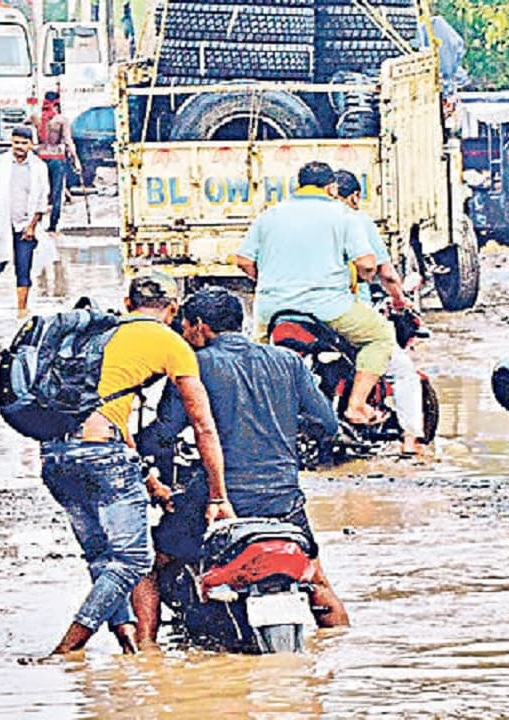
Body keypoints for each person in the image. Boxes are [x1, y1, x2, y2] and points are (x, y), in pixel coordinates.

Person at [133, 287, 350, 646]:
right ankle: (341, 651)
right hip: (283, 501)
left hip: (221, 502)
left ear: (199, 327)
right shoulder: (288, 360)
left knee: (148, 565)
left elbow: (165, 432)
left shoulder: (195, 365)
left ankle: (145, 657)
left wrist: (133, 446)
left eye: (184, 328)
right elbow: (327, 424)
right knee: (317, 583)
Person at [40, 274, 233, 655]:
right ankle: (68, 649)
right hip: (102, 455)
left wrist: (150, 484)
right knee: (134, 559)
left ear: (127, 303)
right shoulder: (171, 343)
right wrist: (217, 494)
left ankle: (130, 647)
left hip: (55, 454)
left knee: (101, 556)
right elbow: (203, 426)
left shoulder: (98, 334)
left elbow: (114, 421)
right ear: (174, 310)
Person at [233, 161, 396, 427]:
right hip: (328, 309)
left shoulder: (270, 215)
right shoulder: (344, 215)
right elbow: (367, 264)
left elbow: (243, 260)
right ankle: (356, 406)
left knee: (258, 359)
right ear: (332, 187)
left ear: (299, 185)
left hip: (272, 310)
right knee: (379, 337)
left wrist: (268, 280)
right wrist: (364, 277)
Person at [331, 169, 425, 456]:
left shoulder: (297, 222)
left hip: (289, 312)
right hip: (342, 312)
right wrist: (400, 300)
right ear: (355, 196)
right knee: (402, 369)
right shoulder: (355, 220)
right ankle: (411, 442)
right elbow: (384, 273)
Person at [0, 126, 50, 316]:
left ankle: (22, 310)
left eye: (24, 143)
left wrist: (32, 226)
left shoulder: (39, 167)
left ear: (31, 145)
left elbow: (42, 200)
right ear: (11, 142)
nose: (19, 147)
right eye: (16, 142)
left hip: (25, 225)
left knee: (24, 267)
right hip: (0, 224)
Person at [29, 90, 81, 233]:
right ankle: (53, 224)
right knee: (56, 192)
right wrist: (76, 160)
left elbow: (24, 128)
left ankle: (35, 222)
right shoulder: (61, 120)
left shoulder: (35, 117)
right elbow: (68, 141)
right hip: (56, 158)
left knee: (38, 191)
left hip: (40, 157)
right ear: (57, 102)